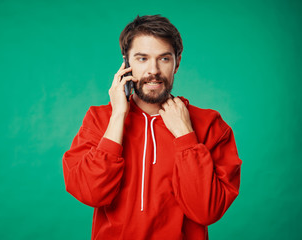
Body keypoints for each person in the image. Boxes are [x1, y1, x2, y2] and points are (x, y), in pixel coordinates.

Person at [62, 15, 242, 240]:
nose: (153, 70)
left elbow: (207, 211)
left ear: (177, 62)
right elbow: (90, 193)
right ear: (126, 62)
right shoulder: (99, 119)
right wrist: (118, 115)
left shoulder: (210, 125)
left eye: (164, 59)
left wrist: (186, 138)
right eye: (142, 58)